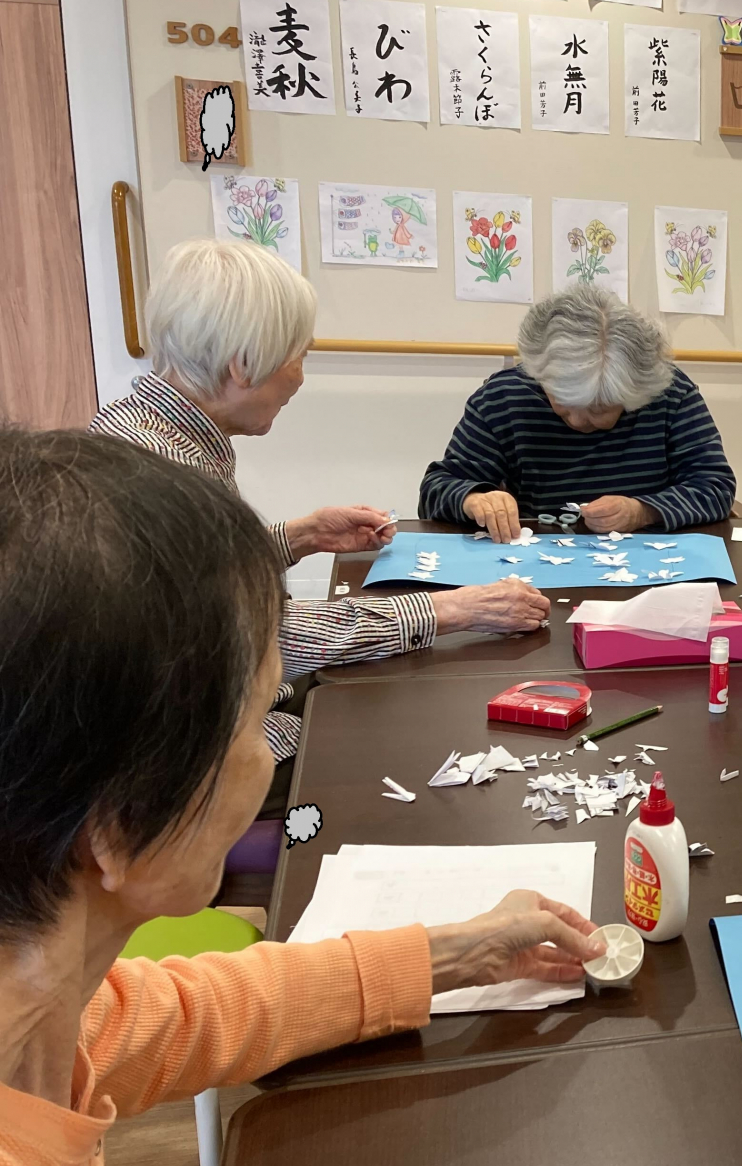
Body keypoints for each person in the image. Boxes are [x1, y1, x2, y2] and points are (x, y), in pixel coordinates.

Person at [0, 431, 606, 1166]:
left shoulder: (41, 1009)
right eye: (255, 725)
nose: (265, 755)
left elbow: (186, 1013)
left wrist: (458, 952)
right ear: (113, 829)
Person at [91, 239, 549, 782]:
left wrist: (299, 536)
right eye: (299, 356)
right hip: (195, 753)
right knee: (415, 743)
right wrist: (451, 610)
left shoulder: (139, 427)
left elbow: (190, 581)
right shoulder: (166, 475)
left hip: (210, 708)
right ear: (243, 365)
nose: (300, 377)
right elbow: (260, 639)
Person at [420, 285, 737, 541]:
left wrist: (642, 511)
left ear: (635, 396)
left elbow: (714, 485)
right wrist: (473, 499)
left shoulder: (668, 392)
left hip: (653, 562)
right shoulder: (503, 398)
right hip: (537, 565)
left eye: (599, 409)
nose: (576, 421)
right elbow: (436, 489)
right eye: (561, 401)